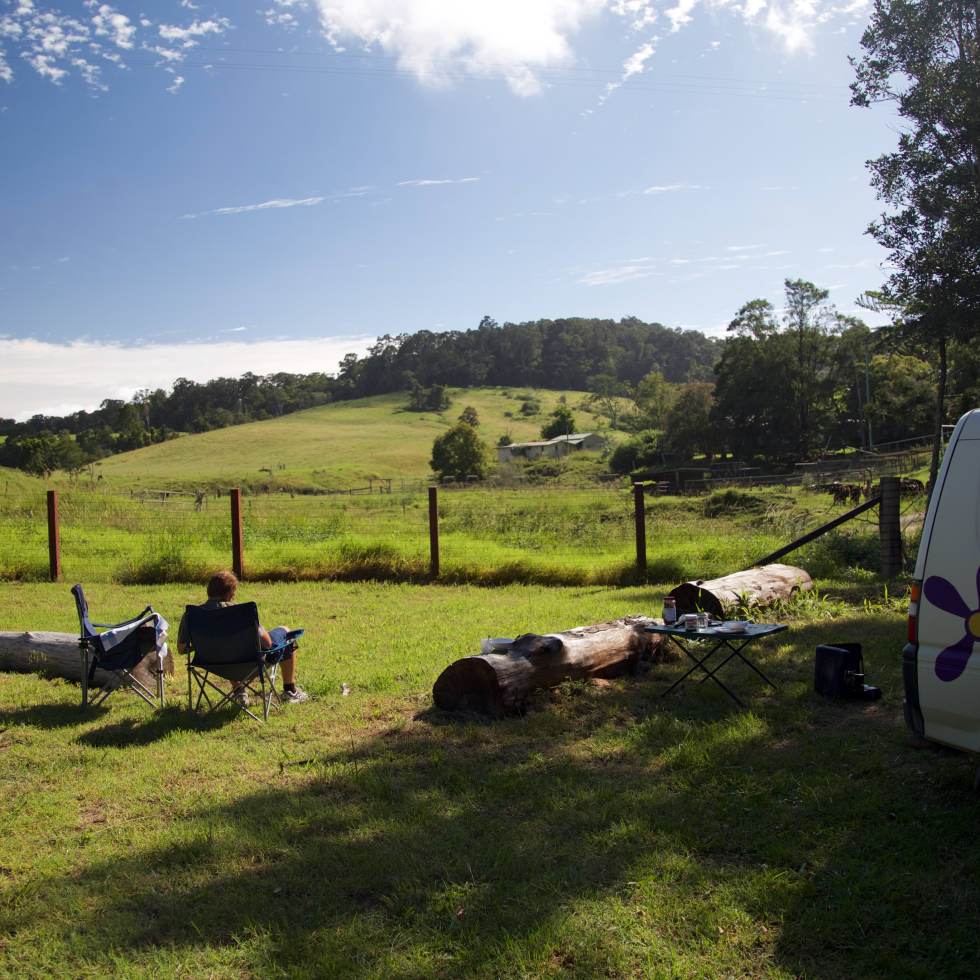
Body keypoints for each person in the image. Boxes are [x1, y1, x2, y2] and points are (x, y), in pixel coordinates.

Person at [177, 570, 309, 705]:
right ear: (229, 593)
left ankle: (239, 691)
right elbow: (267, 643)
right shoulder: (241, 613)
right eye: (234, 591)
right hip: (249, 663)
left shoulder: (191, 615)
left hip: (212, 664)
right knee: (285, 631)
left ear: (209, 591)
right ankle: (290, 690)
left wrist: (208, 644)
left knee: (228, 646)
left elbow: (181, 649)